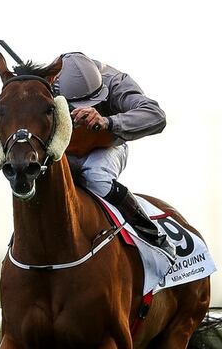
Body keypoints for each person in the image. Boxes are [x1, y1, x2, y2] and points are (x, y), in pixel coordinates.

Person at [53, 51, 175, 259]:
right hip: (66, 149)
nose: (87, 108)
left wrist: (108, 122)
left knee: (96, 177)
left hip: (106, 145)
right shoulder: (45, 86)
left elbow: (156, 116)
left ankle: (151, 235)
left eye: (93, 101)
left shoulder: (116, 82)